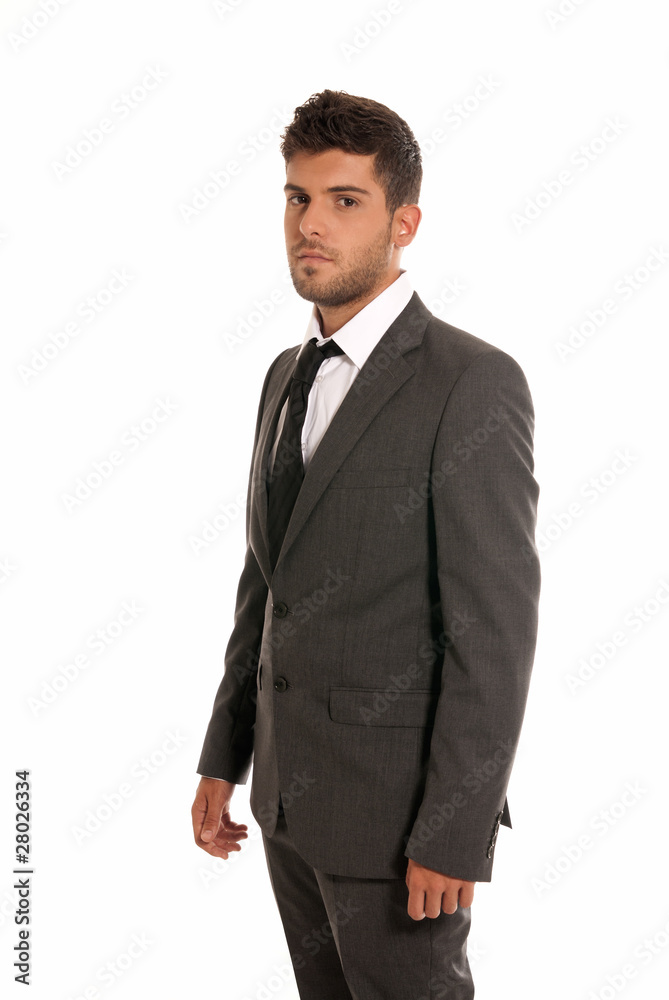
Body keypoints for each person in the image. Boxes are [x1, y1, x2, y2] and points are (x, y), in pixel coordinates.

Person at [191, 89, 540, 999]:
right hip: (286, 805)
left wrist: (454, 832)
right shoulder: (285, 374)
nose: (311, 223)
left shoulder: (470, 382)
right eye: (298, 197)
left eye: (345, 200)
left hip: (398, 827)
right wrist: (225, 754)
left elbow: (493, 633)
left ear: (403, 223)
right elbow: (265, 581)